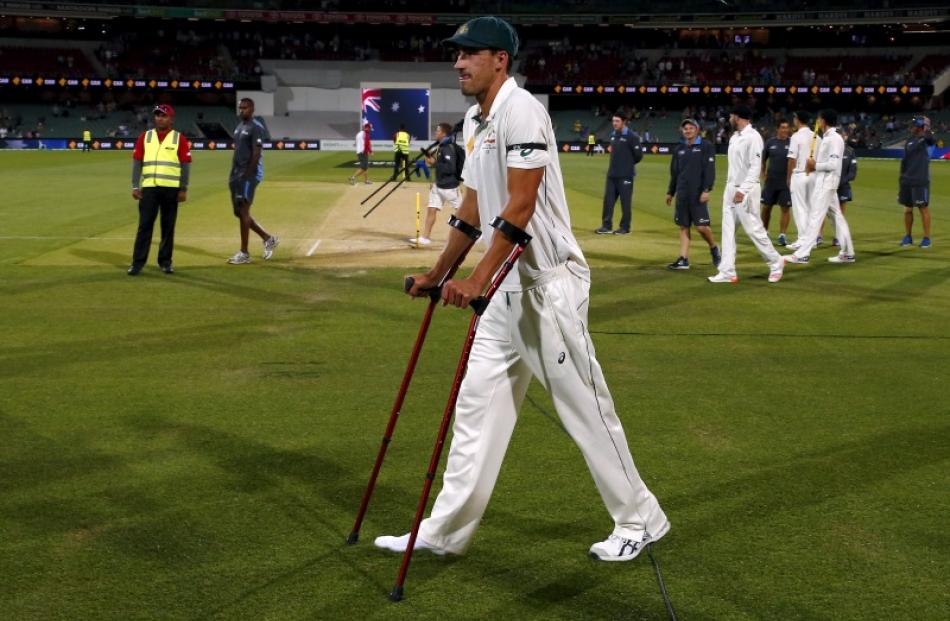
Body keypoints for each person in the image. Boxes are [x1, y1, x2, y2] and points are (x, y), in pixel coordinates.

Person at [375, 15, 669, 562]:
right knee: (475, 409)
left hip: (544, 284)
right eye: (456, 54)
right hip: (502, 292)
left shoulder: (523, 110)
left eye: (469, 54)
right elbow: (471, 210)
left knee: (583, 406)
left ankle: (640, 519)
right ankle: (445, 530)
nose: (458, 63)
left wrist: (476, 280)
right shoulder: (474, 119)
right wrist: (438, 275)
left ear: (500, 60)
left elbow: (520, 207)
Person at [708, 105, 784, 284]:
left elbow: (755, 167)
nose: (729, 119)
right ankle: (727, 271)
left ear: (738, 117)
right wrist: (731, 189)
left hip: (746, 190)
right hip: (731, 189)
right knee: (728, 231)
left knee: (754, 230)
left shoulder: (753, 137)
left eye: (731, 116)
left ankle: (776, 262)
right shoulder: (735, 137)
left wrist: (742, 190)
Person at [784, 109, 855, 265]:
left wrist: (815, 165)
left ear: (823, 121)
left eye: (819, 119)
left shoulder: (833, 139)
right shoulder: (828, 138)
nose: (817, 122)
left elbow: (834, 164)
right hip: (826, 182)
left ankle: (802, 254)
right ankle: (847, 253)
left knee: (815, 217)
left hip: (826, 182)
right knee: (837, 217)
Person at [127, 104, 190, 276]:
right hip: (149, 189)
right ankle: (137, 263)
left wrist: (183, 188)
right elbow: (137, 162)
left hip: (171, 190)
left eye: (163, 116)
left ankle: (165, 262)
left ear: (171, 119)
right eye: (157, 115)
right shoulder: (145, 137)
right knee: (144, 226)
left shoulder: (179, 139)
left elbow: (185, 165)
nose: (159, 118)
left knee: (167, 227)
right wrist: (134, 185)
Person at [227, 97, 278, 265]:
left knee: (243, 211)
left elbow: (256, 153)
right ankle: (268, 238)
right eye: (240, 107)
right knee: (239, 212)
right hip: (236, 174)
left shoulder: (256, 127)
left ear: (252, 109)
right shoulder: (239, 127)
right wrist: (234, 174)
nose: (242, 110)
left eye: (245, 108)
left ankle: (244, 253)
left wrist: (247, 175)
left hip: (248, 175)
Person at [665, 118, 719, 270]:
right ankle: (683, 259)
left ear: (697, 130)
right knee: (683, 226)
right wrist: (670, 192)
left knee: (701, 227)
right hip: (682, 193)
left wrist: (707, 189)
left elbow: (710, 170)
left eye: (690, 128)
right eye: (685, 129)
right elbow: (674, 173)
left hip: (698, 194)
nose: (687, 131)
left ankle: (714, 248)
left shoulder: (706, 146)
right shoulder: (679, 149)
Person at [408, 122, 465, 246]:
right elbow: (441, 166)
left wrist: (434, 163)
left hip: (450, 187)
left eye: (437, 131)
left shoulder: (448, 148)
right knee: (431, 210)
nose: (435, 133)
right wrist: (434, 163)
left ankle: (476, 234)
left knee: (462, 213)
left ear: (443, 133)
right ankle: (425, 237)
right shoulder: (441, 146)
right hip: (438, 186)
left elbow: (450, 168)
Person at [595, 113, 642, 235]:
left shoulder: (632, 136)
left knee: (625, 203)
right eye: (613, 121)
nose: (614, 123)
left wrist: (626, 165)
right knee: (608, 202)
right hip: (612, 175)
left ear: (624, 121)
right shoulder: (613, 135)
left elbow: (638, 156)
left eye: (617, 121)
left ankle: (625, 228)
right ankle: (606, 226)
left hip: (626, 175)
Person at [898, 115, 934, 248]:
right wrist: (901, 179)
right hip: (907, 181)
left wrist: (926, 127)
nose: (911, 127)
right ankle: (908, 236)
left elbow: (932, 139)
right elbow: (905, 161)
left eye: (914, 125)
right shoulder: (909, 141)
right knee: (907, 210)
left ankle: (927, 238)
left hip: (920, 180)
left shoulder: (926, 140)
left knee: (923, 208)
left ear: (919, 127)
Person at [786, 111, 819, 250]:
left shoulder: (796, 136)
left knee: (800, 209)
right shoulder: (817, 137)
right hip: (814, 175)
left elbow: (792, 159)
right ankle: (813, 239)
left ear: (797, 120)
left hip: (799, 174)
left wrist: (788, 177)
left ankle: (803, 240)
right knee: (812, 208)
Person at [820, 131, 857, 246]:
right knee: (822, 212)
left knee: (839, 214)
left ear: (845, 136)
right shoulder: (827, 149)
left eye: (843, 135)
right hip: (828, 184)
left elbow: (853, 171)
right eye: (840, 135)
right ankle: (818, 236)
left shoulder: (850, 151)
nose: (842, 137)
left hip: (842, 186)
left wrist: (841, 181)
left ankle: (837, 237)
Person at [760, 120, 792, 246]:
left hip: (786, 182)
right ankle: (764, 232)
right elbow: (763, 159)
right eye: (783, 127)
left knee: (785, 208)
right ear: (777, 129)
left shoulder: (792, 143)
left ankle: (782, 235)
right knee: (766, 207)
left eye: (787, 128)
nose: (785, 130)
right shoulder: (770, 143)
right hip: (771, 182)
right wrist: (763, 173)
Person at [349, 121, 372, 185]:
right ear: (366, 128)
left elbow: (356, 143)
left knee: (366, 167)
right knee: (363, 167)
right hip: (363, 152)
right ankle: (353, 177)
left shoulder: (358, 134)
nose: (370, 130)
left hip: (359, 152)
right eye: (369, 128)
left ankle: (366, 180)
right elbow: (367, 144)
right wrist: (370, 151)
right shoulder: (365, 134)